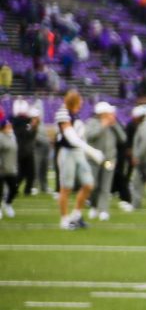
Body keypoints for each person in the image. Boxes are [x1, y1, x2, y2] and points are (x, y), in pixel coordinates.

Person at [55, 90, 104, 230]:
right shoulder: (63, 112)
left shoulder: (75, 114)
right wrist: (93, 152)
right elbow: (72, 138)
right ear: (74, 101)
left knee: (89, 184)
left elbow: (79, 138)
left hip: (78, 152)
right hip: (67, 152)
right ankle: (64, 220)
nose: (82, 102)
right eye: (79, 99)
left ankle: (76, 215)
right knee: (66, 187)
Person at [85, 102, 126, 221]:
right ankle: (94, 206)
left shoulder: (113, 124)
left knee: (105, 185)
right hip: (93, 160)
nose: (111, 114)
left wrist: (114, 125)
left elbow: (123, 139)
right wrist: (102, 125)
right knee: (93, 185)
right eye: (109, 112)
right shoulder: (92, 122)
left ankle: (103, 210)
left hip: (109, 160)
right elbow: (90, 136)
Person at [0, 116, 16, 218]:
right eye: (8, 125)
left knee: (14, 188)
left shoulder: (12, 137)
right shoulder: (0, 137)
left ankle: (7, 204)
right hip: (1, 169)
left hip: (11, 168)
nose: (10, 127)